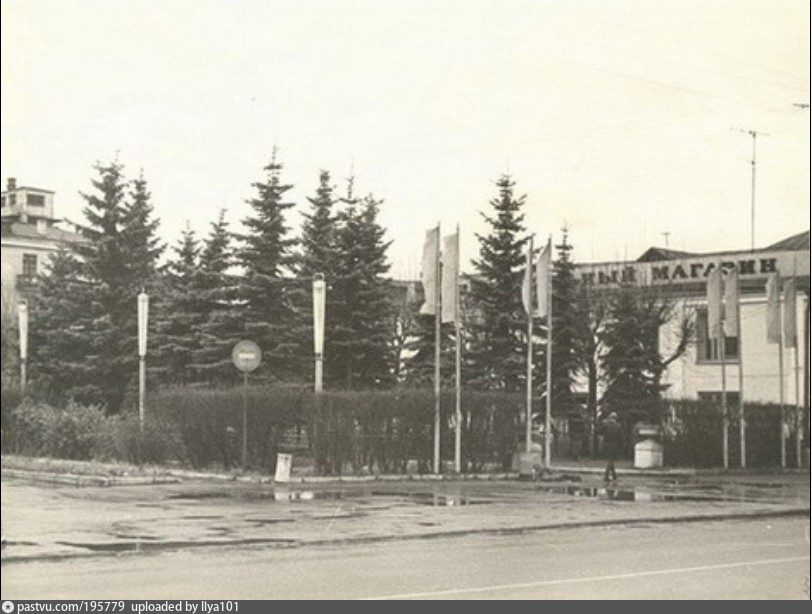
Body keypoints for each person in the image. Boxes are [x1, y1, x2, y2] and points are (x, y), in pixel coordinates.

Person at [602, 413, 623, 483]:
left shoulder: (606, 426)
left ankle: (614, 475)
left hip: (606, 444)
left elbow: (603, 434)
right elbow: (620, 437)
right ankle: (606, 476)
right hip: (614, 445)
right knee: (611, 460)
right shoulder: (618, 426)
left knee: (611, 459)